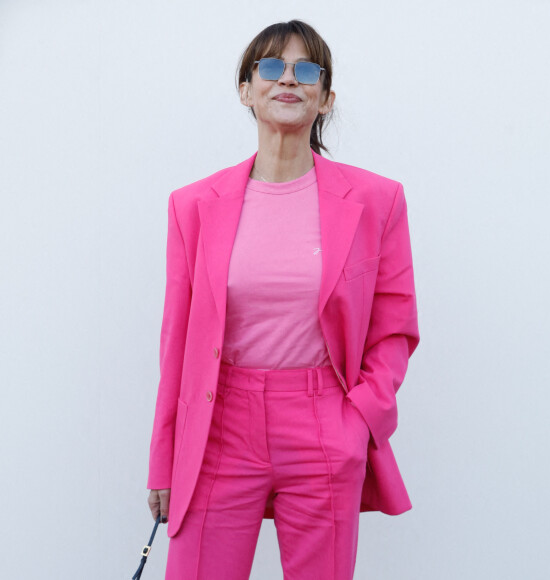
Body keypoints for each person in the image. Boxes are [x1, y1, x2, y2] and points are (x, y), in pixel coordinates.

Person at [146, 19, 420, 580]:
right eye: (270, 67)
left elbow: (394, 328)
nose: (287, 79)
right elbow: (177, 343)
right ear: (246, 90)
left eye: (306, 69)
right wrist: (164, 458)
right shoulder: (193, 206)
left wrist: (359, 420)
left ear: (326, 97)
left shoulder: (377, 201)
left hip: (324, 418)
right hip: (219, 423)